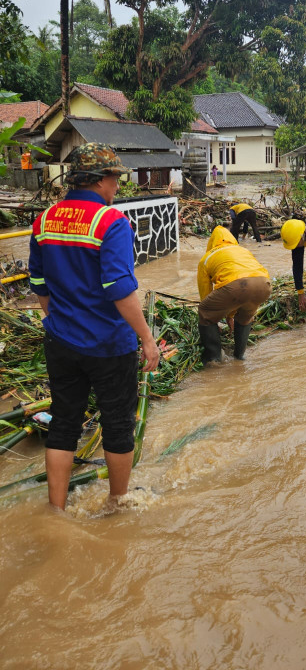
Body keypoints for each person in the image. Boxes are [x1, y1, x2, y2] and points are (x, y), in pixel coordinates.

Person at [28, 143, 160, 511]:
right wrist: (147, 339)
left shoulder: (46, 219)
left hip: (61, 341)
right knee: (118, 424)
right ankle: (117, 502)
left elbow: (37, 281)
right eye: (116, 179)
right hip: (108, 345)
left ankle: (56, 510)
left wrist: (55, 320)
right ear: (101, 179)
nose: (116, 187)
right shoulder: (110, 221)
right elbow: (119, 287)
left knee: (65, 422)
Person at [197, 226, 271, 362]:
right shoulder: (243, 250)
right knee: (245, 317)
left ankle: (215, 359)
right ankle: (240, 356)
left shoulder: (207, 258)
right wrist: (230, 316)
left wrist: (214, 319)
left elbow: (206, 295)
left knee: (204, 311)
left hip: (236, 287)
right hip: (264, 285)